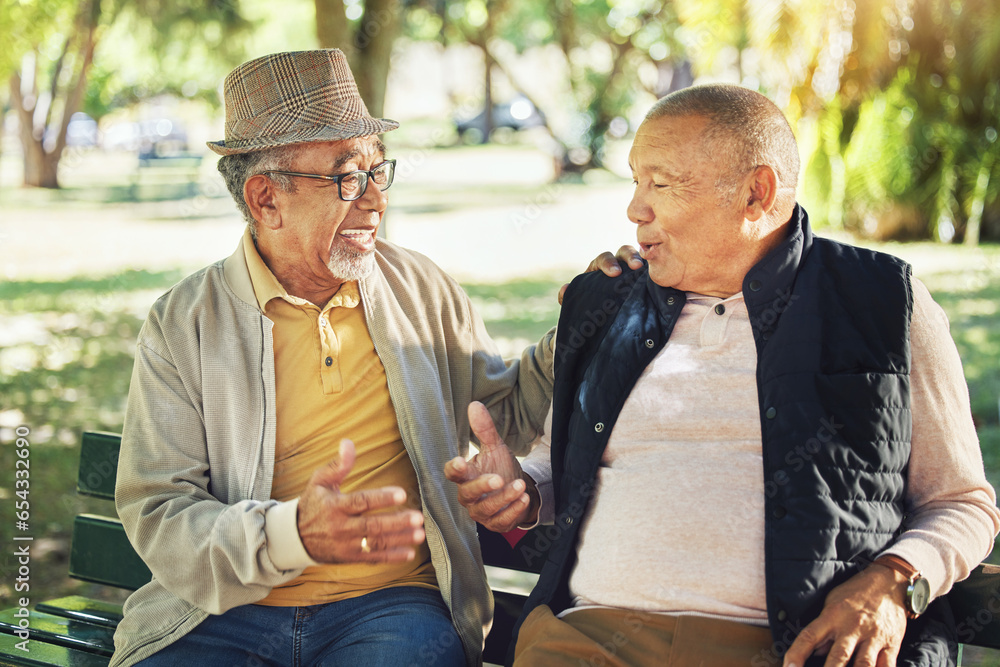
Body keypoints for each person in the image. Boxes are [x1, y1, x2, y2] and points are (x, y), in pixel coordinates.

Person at [445, 84, 1000, 667]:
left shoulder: (885, 302)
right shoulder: (609, 305)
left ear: (755, 194)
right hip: (589, 641)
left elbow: (963, 503)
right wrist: (523, 490)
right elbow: (559, 471)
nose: (636, 208)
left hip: (793, 650)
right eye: (635, 181)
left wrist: (894, 581)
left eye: (661, 184)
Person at [111, 48, 562, 667]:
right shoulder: (184, 323)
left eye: (381, 172)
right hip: (223, 616)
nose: (376, 201)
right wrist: (291, 534)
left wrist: (582, 327)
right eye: (349, 177)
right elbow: (160, 509)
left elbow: (503, 416)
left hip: (392, 605)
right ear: (266, 199)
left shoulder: (420, 289)